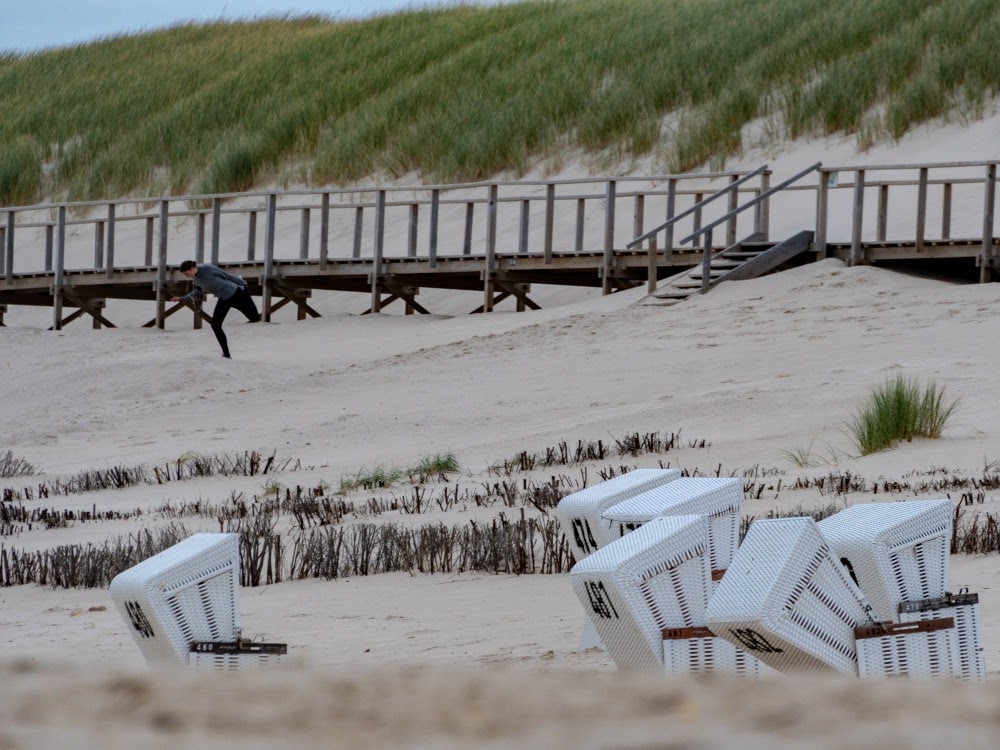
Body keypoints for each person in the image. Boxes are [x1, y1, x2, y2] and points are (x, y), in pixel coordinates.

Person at [170, 260, 261, 358]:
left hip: (237, 294)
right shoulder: (196, 279)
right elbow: (198, 291)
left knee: (255, 318)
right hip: (224, 299)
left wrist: (242, 282)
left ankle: (241, 285)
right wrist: (181, 298)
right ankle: (226, 354)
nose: (186, 276)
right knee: (215, 325)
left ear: (192, 269)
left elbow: (226, 276)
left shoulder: (208, 269)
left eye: (186, 274)